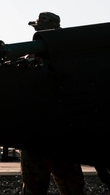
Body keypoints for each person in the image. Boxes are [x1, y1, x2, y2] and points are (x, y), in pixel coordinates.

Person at [20, 12, 85, 195]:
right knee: (72, 187)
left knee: (36, 188)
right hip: (61, 133)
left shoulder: (32, 59)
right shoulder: (68, 57)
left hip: (39, 135)